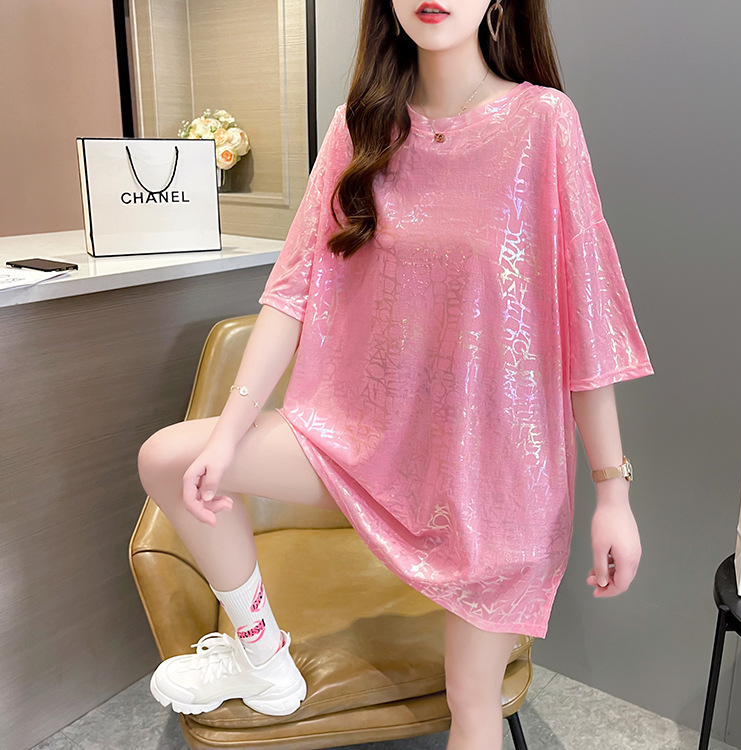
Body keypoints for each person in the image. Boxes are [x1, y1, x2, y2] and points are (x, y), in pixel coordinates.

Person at [137, 1, 654, 747]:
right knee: (170, 459)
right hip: (368, 446)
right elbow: (294, 290)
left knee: (472, 704)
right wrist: (230, 431)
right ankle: (262, 657)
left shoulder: (543, 123)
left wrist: (613, 493)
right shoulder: (359, 128)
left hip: (493, 479)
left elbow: (584, 317)